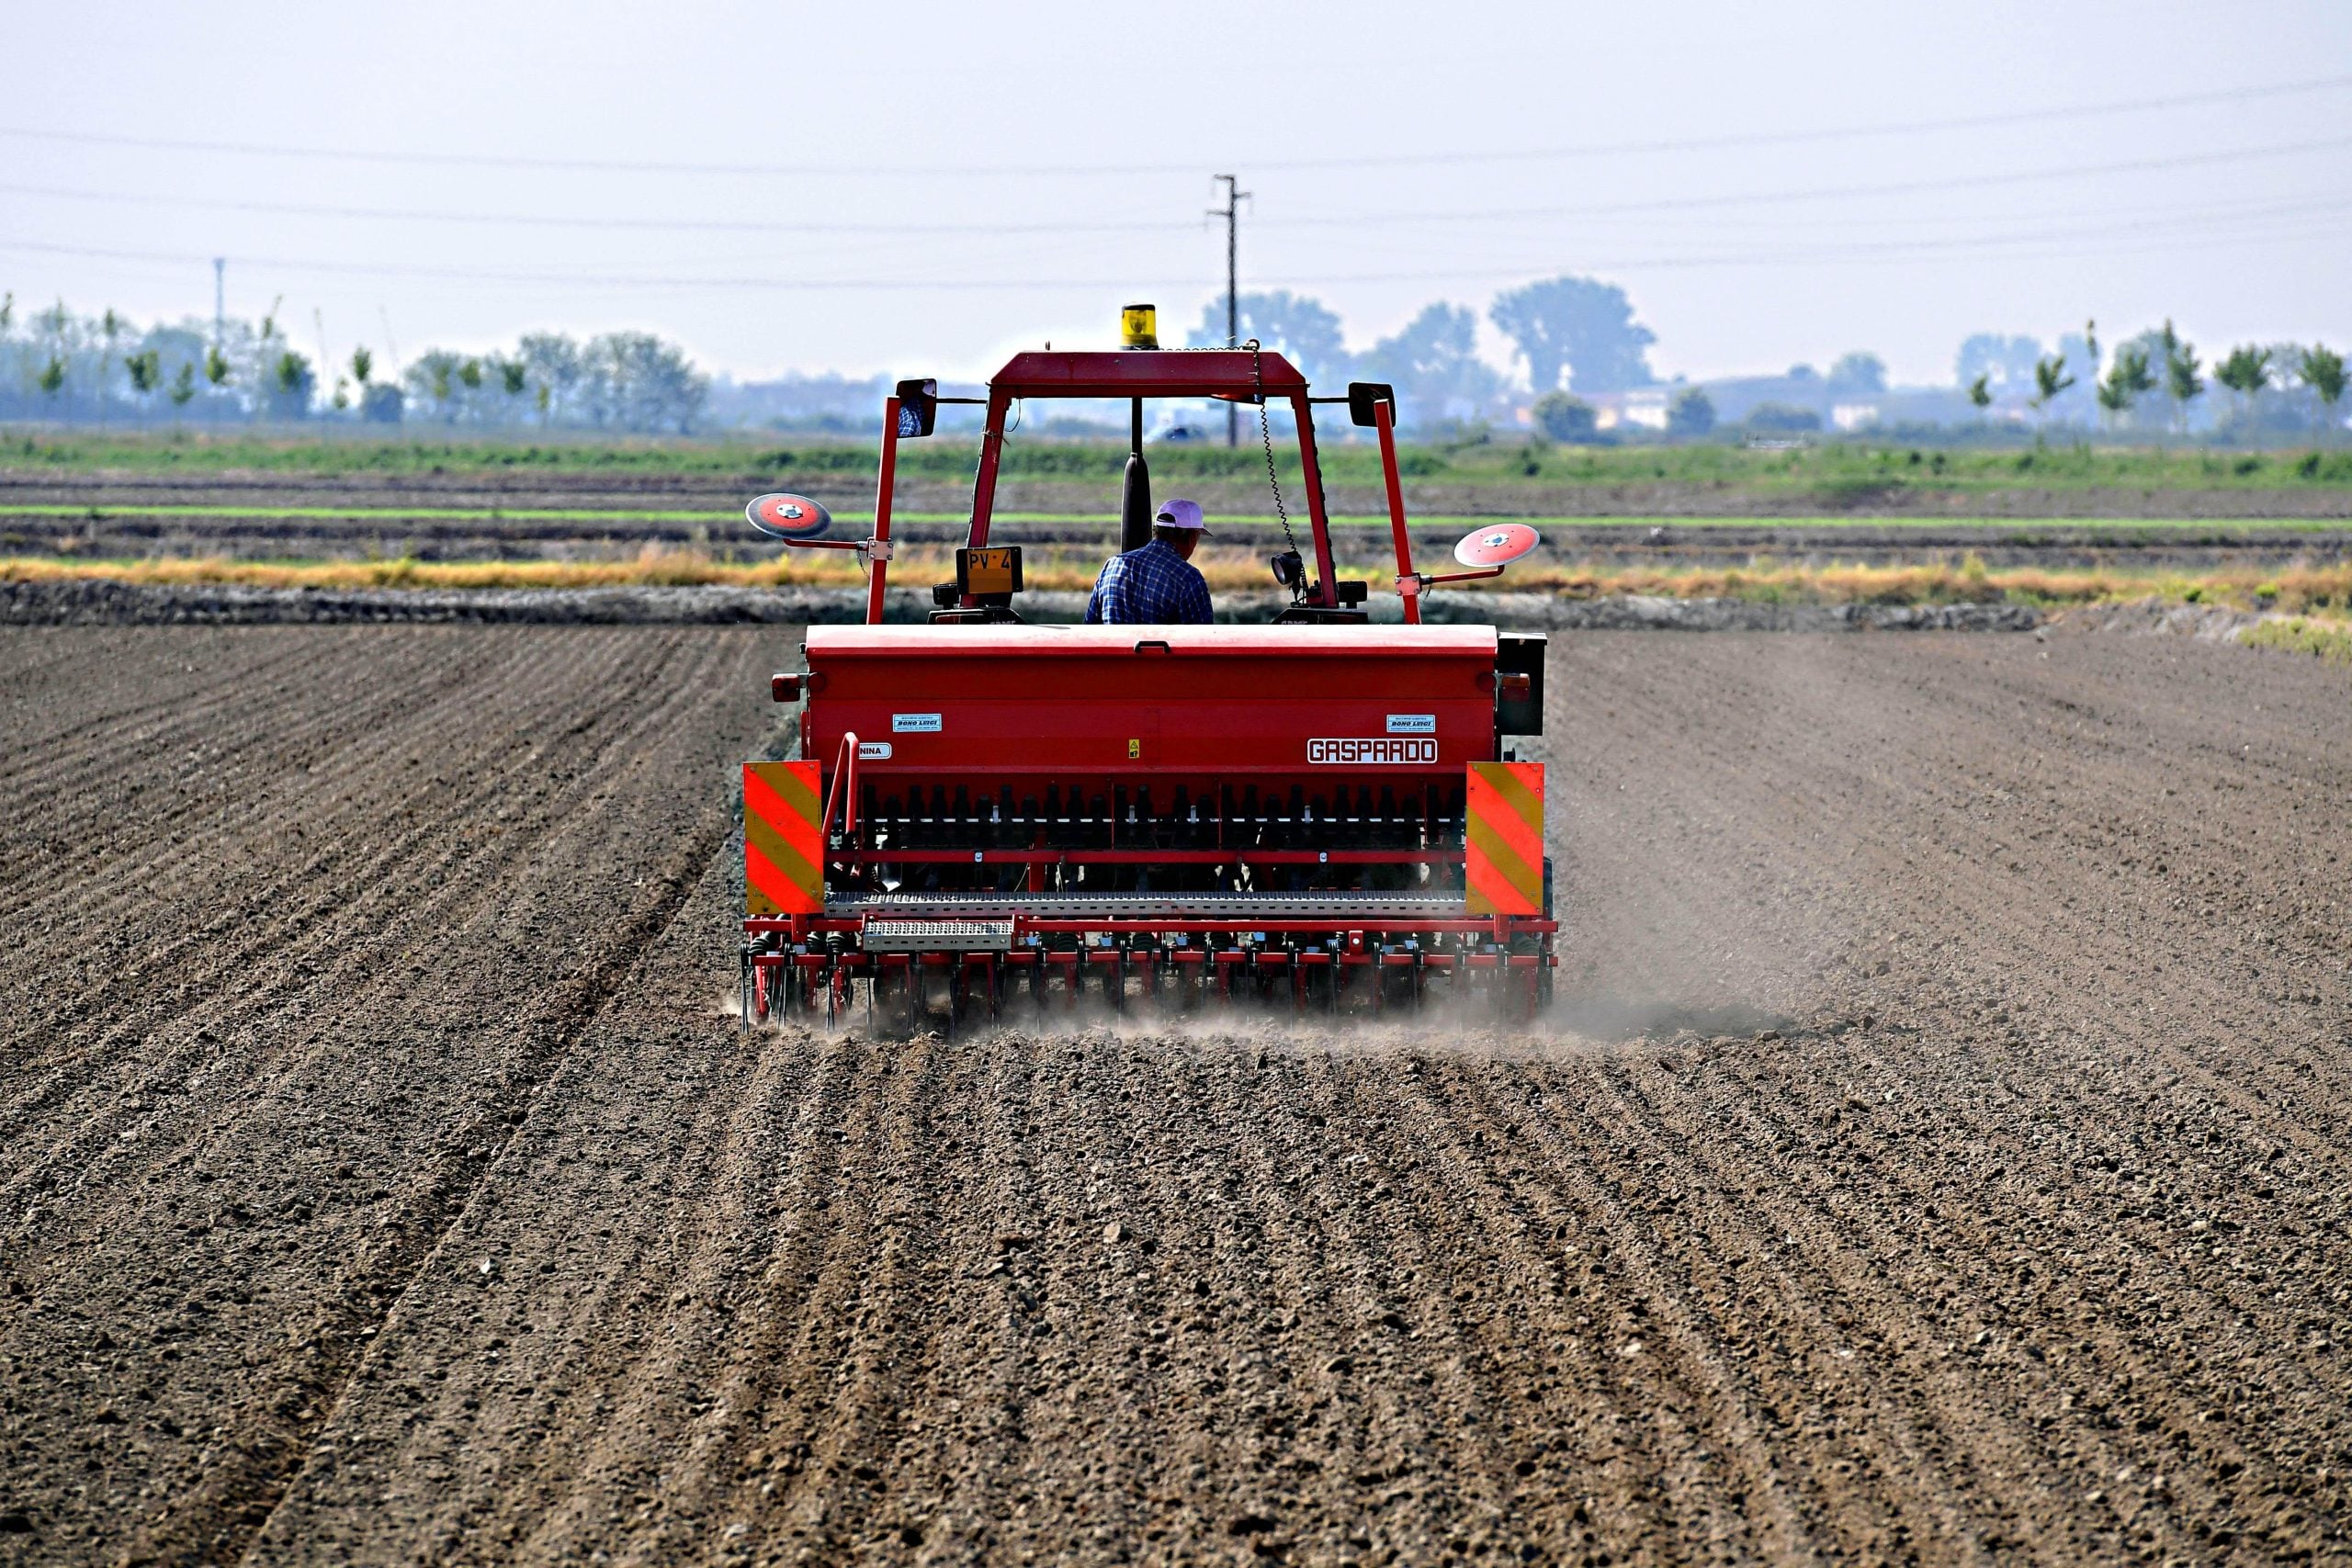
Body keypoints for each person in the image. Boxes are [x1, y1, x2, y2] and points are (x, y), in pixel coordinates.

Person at [1084, 498, 1214, 625]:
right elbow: (1203, 639)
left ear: (1156, 531)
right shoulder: (1189, 577)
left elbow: (1089, 627)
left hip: (1115, 646)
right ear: (1192, 537)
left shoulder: (1111, 565)